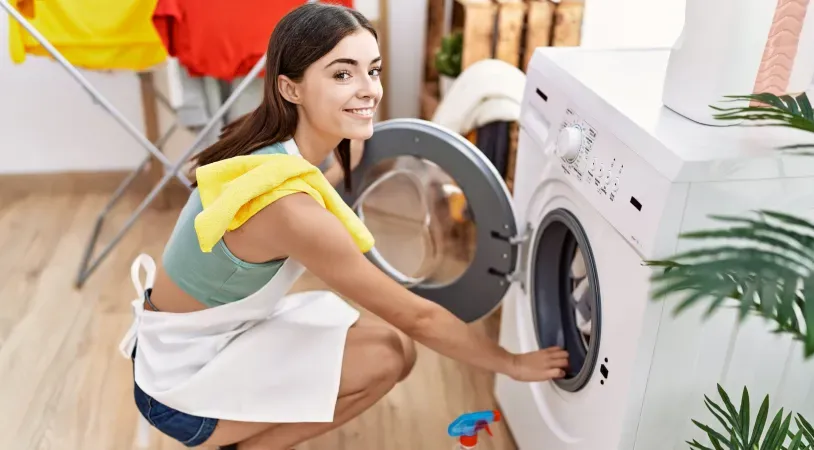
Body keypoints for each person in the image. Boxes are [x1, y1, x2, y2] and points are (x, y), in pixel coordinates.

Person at [124, 4, 569, 450]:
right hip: (180, 392)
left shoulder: (260, 144)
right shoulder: (292, 209)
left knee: (388, 343)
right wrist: (511, 363)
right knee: (389, 354)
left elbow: (304, 192)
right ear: (290, 87)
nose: (369, 90)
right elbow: (417, 316)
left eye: (372, 71)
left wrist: (344, 158)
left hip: (175, 347)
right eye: (342, 74)